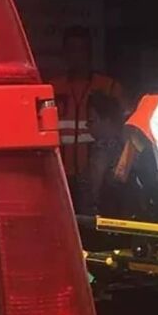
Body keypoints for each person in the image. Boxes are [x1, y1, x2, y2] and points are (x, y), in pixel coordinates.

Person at [50, 26, 125, 203]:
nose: (76, 55)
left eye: (81, 49)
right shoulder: (52, 88)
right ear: (64, 54)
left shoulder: (110, 88)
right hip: (60, 175)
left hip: (99, 174)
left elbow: (123, 132)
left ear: (89, 53)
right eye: (71, 49)